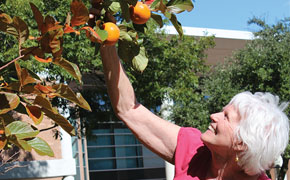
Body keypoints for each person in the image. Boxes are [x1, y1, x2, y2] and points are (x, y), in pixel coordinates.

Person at [100, 45, 289, 180]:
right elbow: (128, 109)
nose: (213, 116)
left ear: (241, 143)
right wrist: (107, 42)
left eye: (226, 117)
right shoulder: (194, 149)